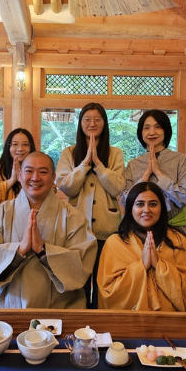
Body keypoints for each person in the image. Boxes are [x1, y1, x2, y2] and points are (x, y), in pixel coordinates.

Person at [0, 152, 97, 309]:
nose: (35, 178)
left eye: (43, 172)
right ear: (20, 175)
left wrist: (43, 251)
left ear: (53, 177)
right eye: (29, 171)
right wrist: (19, 250)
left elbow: (82, 263)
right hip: (5, 306)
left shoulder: (73, 218)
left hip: (60, 309)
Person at [55, 103, 124, 308]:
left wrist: (99, 164)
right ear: (81, 123)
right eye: (87, 119)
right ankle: (80, 320)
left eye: (97, 119)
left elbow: (117, 187)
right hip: (77, 228)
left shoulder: (114, 153)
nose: (92, 123)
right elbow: (66, 187)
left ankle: (101, 321)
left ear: (104, 123)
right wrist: (85, 163)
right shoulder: (69, 152)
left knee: (103, 280)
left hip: (107, 228)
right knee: (80, 280)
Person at [98, 182, 186, 311]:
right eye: (140, 204)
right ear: (131, 208)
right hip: (128, 325)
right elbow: (108, 292)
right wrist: (141, 266)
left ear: (162, 208)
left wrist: (159, 265)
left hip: (171, 323)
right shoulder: (115, 243)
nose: (146, 210)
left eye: (153, 204)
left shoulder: (178, 240)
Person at [120, 110, 186, 231]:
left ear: (166, 130)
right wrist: (146, 175)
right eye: (146, 128)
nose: (152, 132)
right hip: (139, 229)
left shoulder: (181, 160)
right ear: (141, 133)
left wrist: (158, 173)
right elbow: (124, 200)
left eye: (157, 127)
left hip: (175, 228)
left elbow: (183, 198)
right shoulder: (133, 164)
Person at [0, 128, 36, 218]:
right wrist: (11, 181)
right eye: (15, 144)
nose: (20, 149)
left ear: (31, 147)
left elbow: (50, 190)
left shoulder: (37, 170)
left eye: (25, 144)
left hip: (32, 219)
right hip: (5, 225)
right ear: (8, 147)